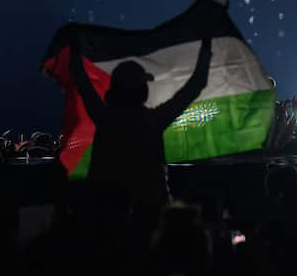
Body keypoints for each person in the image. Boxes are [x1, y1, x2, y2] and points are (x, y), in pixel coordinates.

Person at [69, 27, 213, 226]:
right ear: (141, 89)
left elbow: (81, 79)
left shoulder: (105, 117)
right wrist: (206, 44)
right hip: (151, 215)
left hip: (106, 218)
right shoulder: (153, 120)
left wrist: (74, 48)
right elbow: (196, 85)